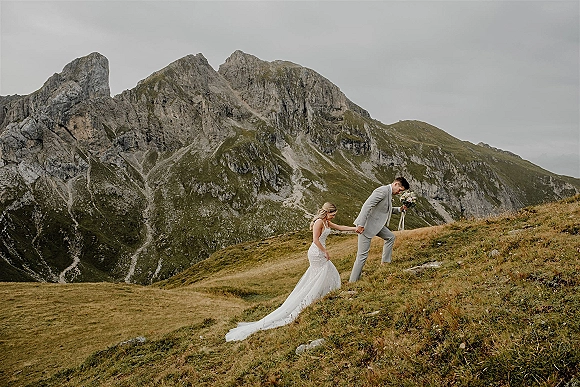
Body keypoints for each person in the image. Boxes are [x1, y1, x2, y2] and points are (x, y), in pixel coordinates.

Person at [225, 202, 356, 342]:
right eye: (333, 214)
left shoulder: (326, 222)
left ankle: (319, 294)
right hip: (316, 253)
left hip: (319, 252)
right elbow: (315, 240)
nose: (334, 217)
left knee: (325, 273)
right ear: (327, 213)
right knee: (323, 272)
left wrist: (355, 229)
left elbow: (341, 228)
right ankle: (313, 296)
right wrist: (325, 251)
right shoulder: (319, 222)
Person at [349, 177, 410, 283]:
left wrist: (400, 209)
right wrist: (361, 224)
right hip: (366, 226)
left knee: (390, 237)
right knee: (362, 256)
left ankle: (385, 263)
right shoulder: (382, 191)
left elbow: (386, 209)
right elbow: (367, 206)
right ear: (395, 184)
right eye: (400, 190)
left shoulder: (388, 193)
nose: (399, 193)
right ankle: (352, 281)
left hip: (377, 225)